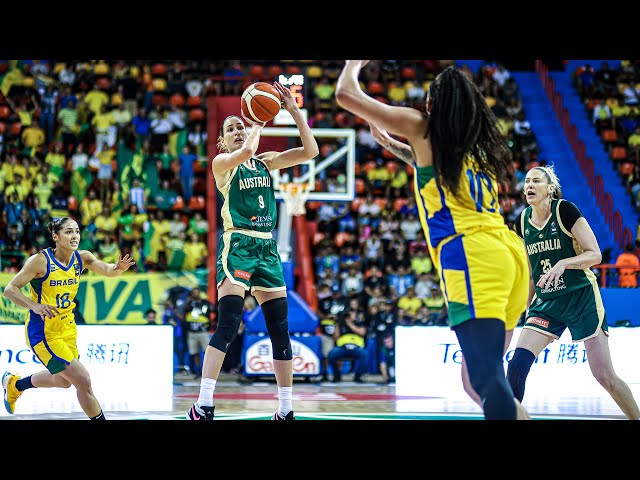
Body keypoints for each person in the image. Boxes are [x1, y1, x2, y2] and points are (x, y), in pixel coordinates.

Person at [336, 61, 530, 420]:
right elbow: (429, 167)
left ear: (434, 103)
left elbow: (346, 95)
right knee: (477, 381)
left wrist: (352, 64)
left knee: (486, 378)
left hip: (474, 255)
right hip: (509, 255)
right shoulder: (474, 147)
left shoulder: (422, 127)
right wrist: (396, 148)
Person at [186, 81, 319, 420]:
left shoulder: (266, 162)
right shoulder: (222, 164)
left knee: (280, 329)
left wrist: (292, 111)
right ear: (222, 140)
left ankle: (286, 408)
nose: (238, 131)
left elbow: (310, 151)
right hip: (238, 245)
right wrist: (257, 120)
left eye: (240, 127)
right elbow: (243, 153)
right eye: (232, 129)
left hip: (267, 248)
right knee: (228, 323)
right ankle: (204, 403)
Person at [507, 166, 640, 420]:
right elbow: (531, 271)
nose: (529, 186)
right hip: (547, 301)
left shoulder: (565, 211)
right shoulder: (522, 221)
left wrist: (564, 263)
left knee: (605, 376)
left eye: (536, 181)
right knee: (516, 366)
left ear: (550, 189)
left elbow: (595, 254)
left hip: (581, 297)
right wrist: (527, 307)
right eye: (526, 182)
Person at [2, 217, 135, 419]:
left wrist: (118, 269)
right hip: (44, 332)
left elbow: (107, 270)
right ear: (56, 236)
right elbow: (10, 290)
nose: (75, 236)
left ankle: (15, 385)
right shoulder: (40, 261)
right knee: (83, 381)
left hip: (67, 328)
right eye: (69, 232)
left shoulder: (82, 258)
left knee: (64, 381)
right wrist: (35, 306)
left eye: (77, 231)